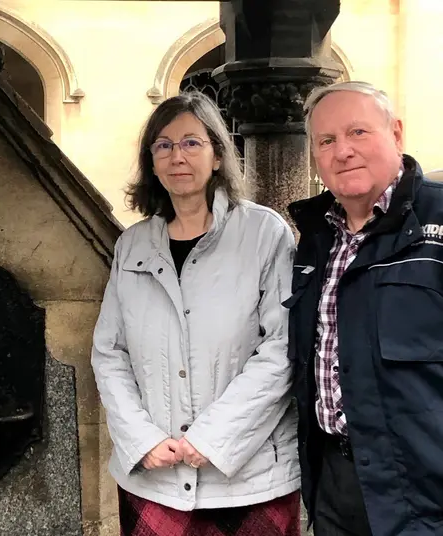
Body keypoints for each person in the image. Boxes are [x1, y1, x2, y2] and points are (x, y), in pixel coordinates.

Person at [91, 91, 300, 536]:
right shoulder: (132, 245)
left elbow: (282, 348)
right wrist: (143, 441)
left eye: (191, 142)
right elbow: (110, 353)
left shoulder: (263, 233)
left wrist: (212, 439)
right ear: (151, 160)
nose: (176, 156)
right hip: (156, 477)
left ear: (219, 155)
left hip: (251, 477)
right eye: (163, 145)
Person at [286, 80, 443, 536]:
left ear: (396, 133)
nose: (343, 151)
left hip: (425, 492)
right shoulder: (316, 239)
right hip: (336, 483)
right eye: (327, 141)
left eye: (358, 133)